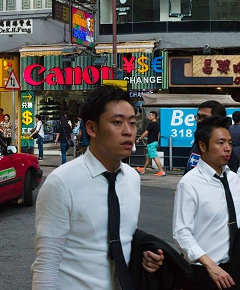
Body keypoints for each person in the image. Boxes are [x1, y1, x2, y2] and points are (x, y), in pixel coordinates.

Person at [32, 85, 164, 288]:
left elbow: (123, 236)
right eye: (117, 123)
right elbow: (46, 264)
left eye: (132, 123)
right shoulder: (61, 183)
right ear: (91, 128)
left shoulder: (131, 178)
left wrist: (144, 256)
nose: (128, 131)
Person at [173, 116, 240, 290]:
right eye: (220, 143)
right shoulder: (189, 183)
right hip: (204, 272)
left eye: (229, 142)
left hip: (237, 268)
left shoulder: (234, 179)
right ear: (203, 146)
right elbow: (181, 232)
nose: (228, 148)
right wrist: (209, 264)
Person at [185, 100, 231, 174]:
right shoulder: (199, 140)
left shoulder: (226, 151)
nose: (199, 121)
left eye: (204, 117)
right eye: (198, 117)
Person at [135, 111, 165, 176]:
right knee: (149, 157)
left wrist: (139, 138)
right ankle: (143, 169)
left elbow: (146, 132)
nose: (149, 116)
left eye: (150, 115)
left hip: (151, 142)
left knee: (154, 157)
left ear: (154, 116)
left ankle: (161, 171)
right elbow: (158, 134)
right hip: (155, 142)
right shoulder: (157, 124)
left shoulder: (151, 124)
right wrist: (157, 141)